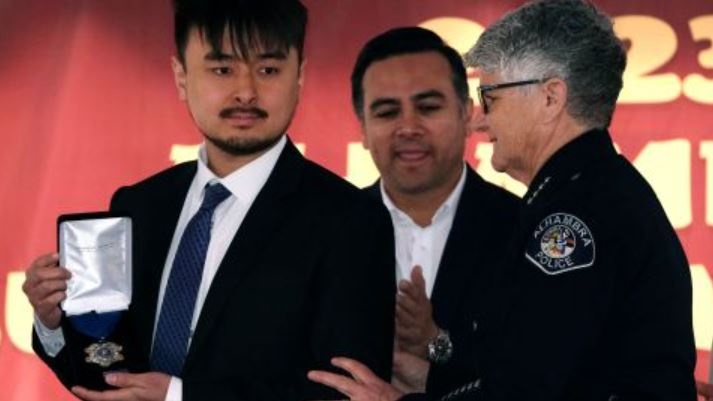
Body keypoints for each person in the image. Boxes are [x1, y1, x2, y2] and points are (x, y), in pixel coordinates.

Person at [308, 0, 697, 400]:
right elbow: (529, 364)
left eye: (490, 98)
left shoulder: (573, 217)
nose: (480, 119)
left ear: (550, 98)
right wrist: (429, 377)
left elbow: (525, 390)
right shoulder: (591, 191)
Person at [22, 1, 395, 400]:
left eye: (268, 70)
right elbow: (109, 371)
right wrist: (52, 322)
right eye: (222, 69)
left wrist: (178, 396)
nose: (246, 92)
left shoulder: (350, 220)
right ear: (181, 76)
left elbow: (345, 391)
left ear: (299, 76)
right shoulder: (140, 206)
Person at [351, 27, 519, 396]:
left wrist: (436, 343)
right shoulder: (327, 229)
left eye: (428, 108)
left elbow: (541, 374)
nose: (408, 128)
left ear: (467, 115)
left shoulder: (522, 229)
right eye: (387, 112)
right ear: (362, 127)